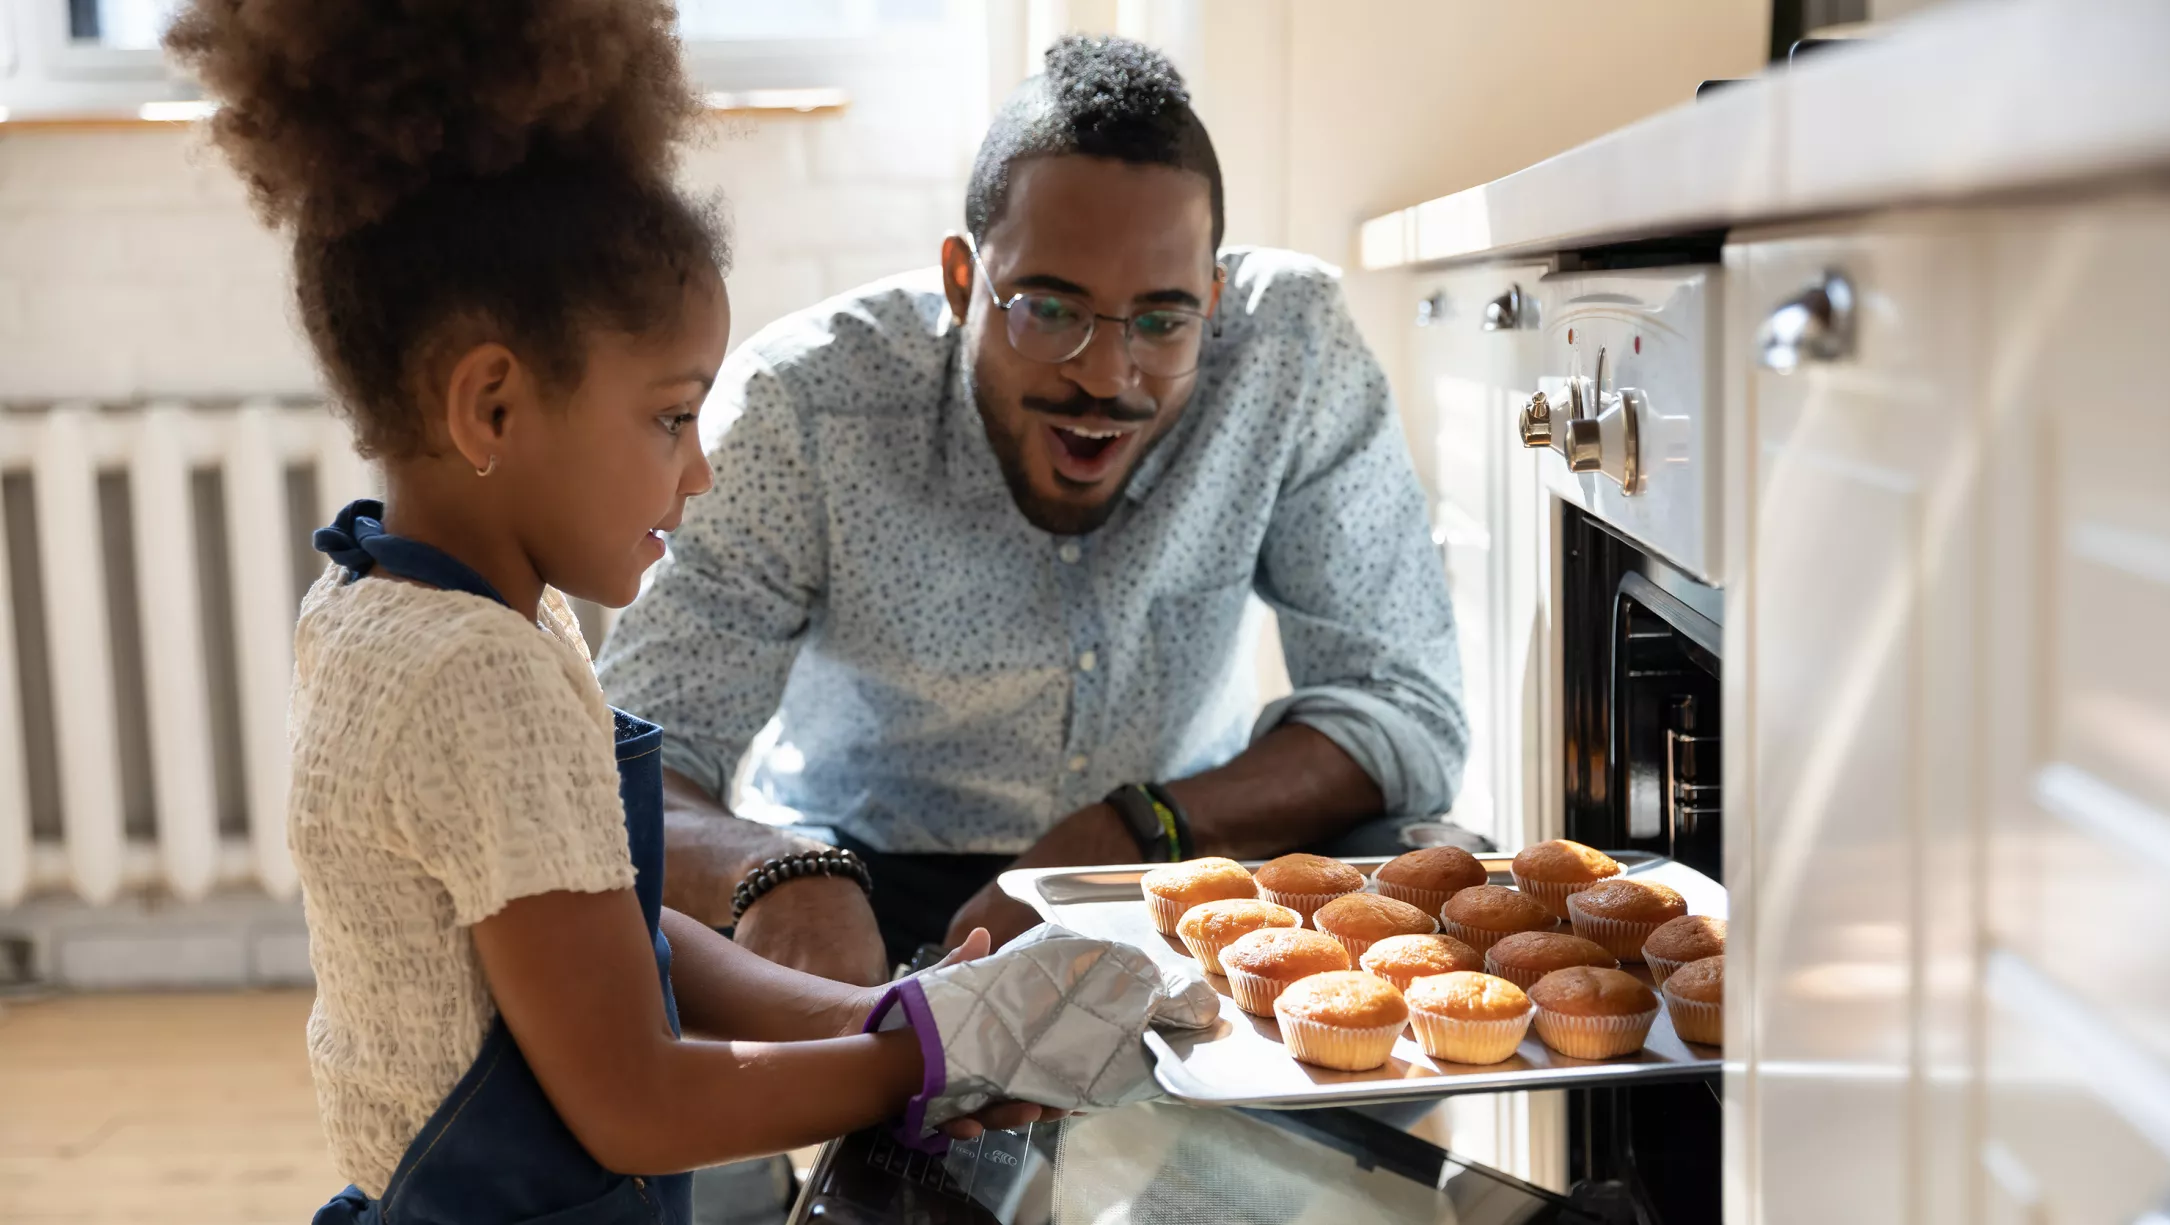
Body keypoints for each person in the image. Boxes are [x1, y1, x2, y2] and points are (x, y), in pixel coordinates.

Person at [165, 5, 1205, 1221]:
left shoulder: (392, 601)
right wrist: (924, 1065)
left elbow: (605, 926)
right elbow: (636, 1103)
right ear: (491, 406)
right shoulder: (478, 674)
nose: (700, 470)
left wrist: (883, 1015)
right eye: (671, 416)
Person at [599, 33, 1468, 986]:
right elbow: (629, 755)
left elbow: (1404, 707)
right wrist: (775, 872)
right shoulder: (801, 404)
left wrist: (1132, 827)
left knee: (1431, 883)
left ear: (1213, 301)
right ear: (963, 279)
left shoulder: (1291, 349)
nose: (1105, 375)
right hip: (858, 869)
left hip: (1176, 851)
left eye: (1163, 320)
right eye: (1049, 309)